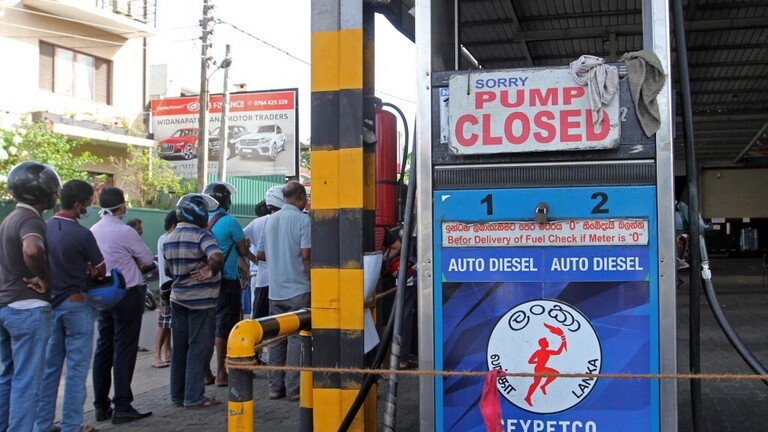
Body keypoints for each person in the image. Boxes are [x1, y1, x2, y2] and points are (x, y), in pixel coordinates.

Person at [34, 180, 105, 432]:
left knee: (49, 370)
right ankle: (71, 426)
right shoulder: (82, 234)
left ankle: (42, 425)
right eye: (88, 202)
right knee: (76, 371)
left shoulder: (42, 229)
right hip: (76, 304)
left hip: (49, 305)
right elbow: (101, 269)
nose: (89, 206)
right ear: (77, 204)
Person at [0, 162, 60, 432]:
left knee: (8, 377)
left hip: (6, 306)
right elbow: (32, 249)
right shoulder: (30, 219)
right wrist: (44, 277)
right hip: (27, 308)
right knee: (27, 382)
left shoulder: (9, 219)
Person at [90, 187, 155, 424]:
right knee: (125, 348)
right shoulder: (125, 231)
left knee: (104, 347)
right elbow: (147, 259)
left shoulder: (93, 230)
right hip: (127, 292)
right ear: (122, 207)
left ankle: (100, 405)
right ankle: (123, 405)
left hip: (103, 293)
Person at [163, 193, 224, 409]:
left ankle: (177, 395)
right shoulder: (202, 235)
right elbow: (216, 257)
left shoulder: (169, 238)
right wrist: (210, 271)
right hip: (201, 301)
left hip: (178, 299)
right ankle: (194, 397)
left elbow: (168, 270)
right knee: (199, 347)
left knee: (180, 347)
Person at [256, 181, 310, 402]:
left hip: (275, 290)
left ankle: (275, 388)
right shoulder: (303, 220)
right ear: (300, 197)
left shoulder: (269, 221)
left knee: (277, 339)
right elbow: (306, 255)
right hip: (298, 288)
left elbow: (260, 253)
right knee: (297, 338)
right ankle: (294, 389)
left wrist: (278, 257)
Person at [202, 181, 256, 387]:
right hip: (227, 281)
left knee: (207, 326)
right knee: (224, 327)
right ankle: (222, 372)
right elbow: (243, 250)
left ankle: (206, 373)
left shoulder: (201, 221)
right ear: (226, 201)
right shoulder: (229, 221)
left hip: (206, 280)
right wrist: (257, 259)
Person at [243, 186, 284, 364]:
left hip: (262, 280)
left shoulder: (257, 223)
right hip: (283, 281)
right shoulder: (290, 219)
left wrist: (251, 261)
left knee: (258, 321)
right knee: (282, 321)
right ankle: (276, 358)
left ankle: (254, 356)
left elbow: (240, 242)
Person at [152, 210, 177, 369]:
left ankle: (168, 352)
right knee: (164, 322)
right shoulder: (170, 239)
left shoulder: (163, 238)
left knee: (168, 322)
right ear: (174, 225)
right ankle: (157, 355)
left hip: (165, 285)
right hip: (169, 285)